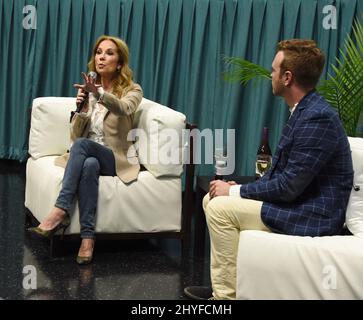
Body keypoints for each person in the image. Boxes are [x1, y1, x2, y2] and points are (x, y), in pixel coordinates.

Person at [184, 39, 354, 300]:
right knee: (212, 198)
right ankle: (230, 287)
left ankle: (225, 299)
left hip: (312, 215)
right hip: (298, 204)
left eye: (274, 70)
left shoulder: (317, 117)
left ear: (287, 77)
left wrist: (235, 191)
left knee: (219, 208)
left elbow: (288, 187)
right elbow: (283, 179)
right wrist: (233, 190)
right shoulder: (304, 111)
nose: (270, 75)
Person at [28, 35, 143, 265]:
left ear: (119, 63)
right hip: (90, 156)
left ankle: (60, 210)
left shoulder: (133, 90)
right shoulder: (89, 90)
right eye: (99, 52)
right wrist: (82, 107)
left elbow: (122, 109)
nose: (101, 57)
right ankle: (87, 239)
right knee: (89, 164)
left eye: (109, 53)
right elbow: (76, 134)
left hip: (115, 158)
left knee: (82, 147)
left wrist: (99, 94)